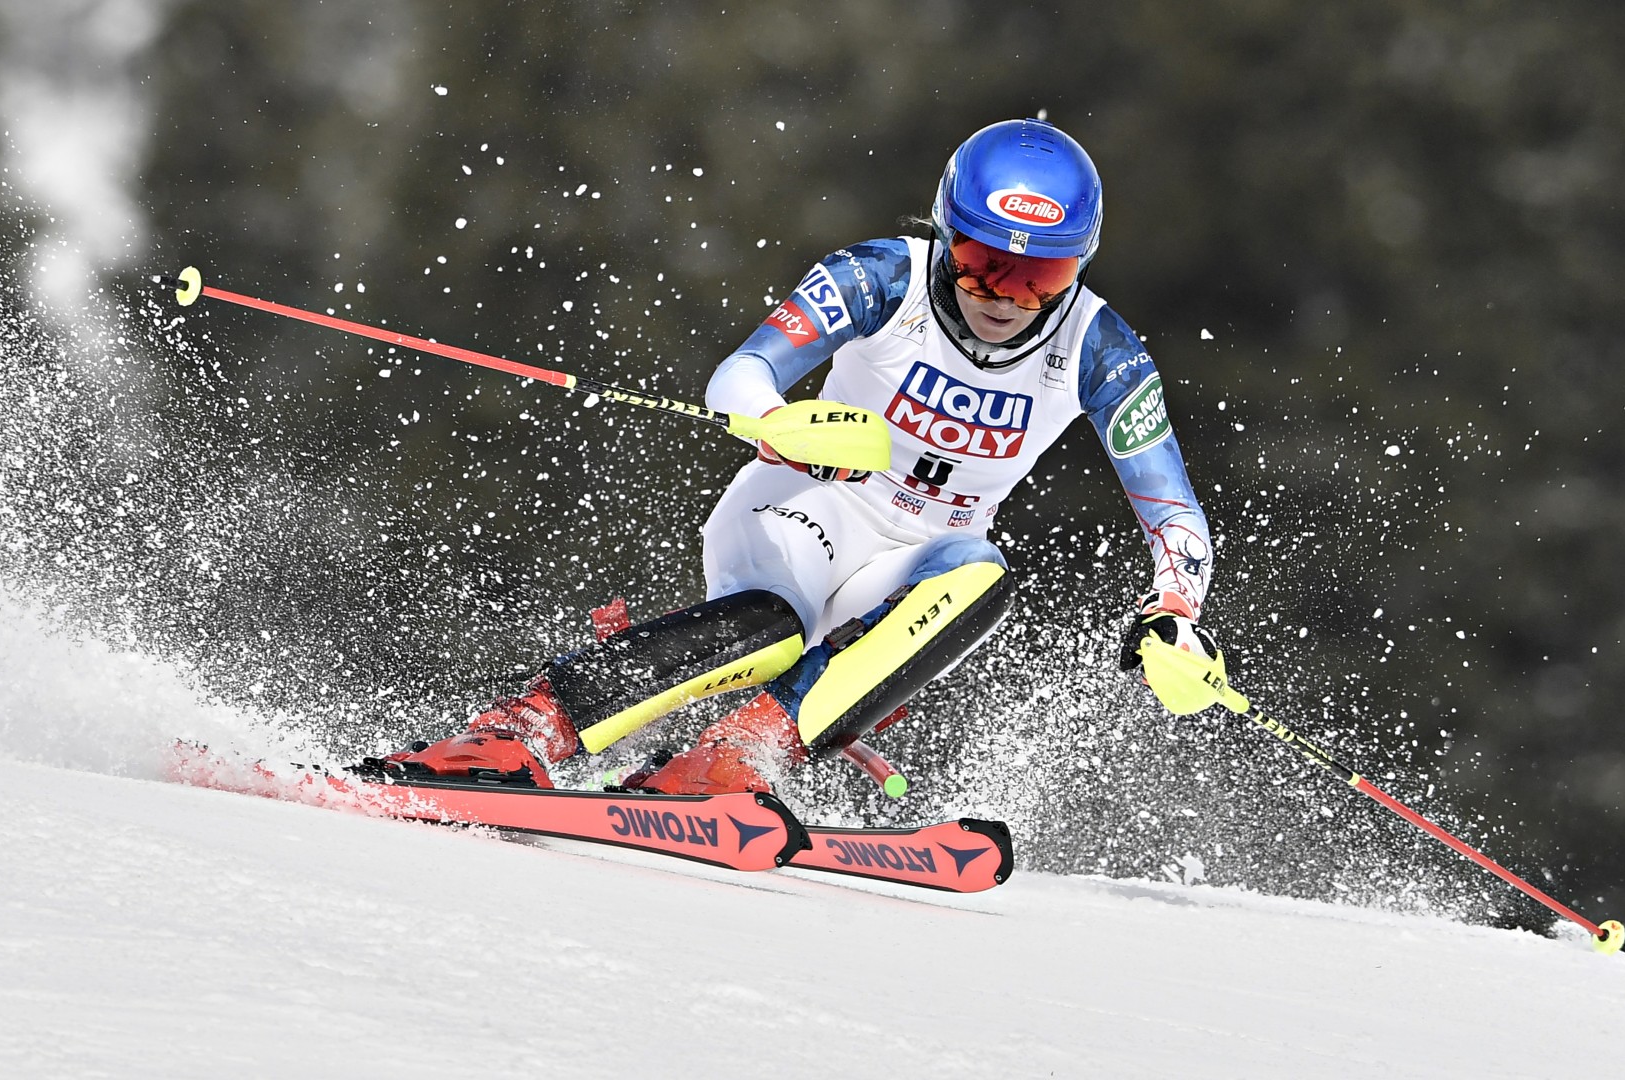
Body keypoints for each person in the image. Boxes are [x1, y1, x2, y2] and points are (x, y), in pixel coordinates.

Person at [385, 118, 1219, 795]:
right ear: (946, 235)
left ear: (1081, 265)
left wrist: (1173, 612)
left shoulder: (1101, 349)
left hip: (908, 561)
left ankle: (733, 757)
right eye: (981, 266)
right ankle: (518, 730)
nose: (1005, 297)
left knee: (983, 574)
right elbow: (739, 375)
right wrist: (780, 423)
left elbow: (1173, 512)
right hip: (805, 511)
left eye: (1042, 276)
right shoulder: (885, 276)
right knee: (778, 628)